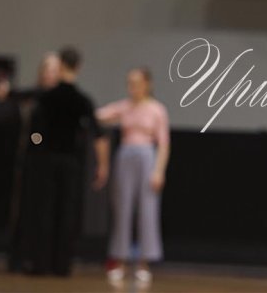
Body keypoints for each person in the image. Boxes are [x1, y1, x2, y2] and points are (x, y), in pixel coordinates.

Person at [25, 46, 110, 276]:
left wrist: (38, 145)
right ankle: (62, 265)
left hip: (46, 161)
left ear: (61, 65)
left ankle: (41, 263)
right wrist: (103, 165)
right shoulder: (83, 101)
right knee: (67, 212)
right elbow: (98, 134)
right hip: (72, 162)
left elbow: (35, 132)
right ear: (78, 67)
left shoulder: (46, 98)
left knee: (45, 211)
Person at [96, 66, 170, 287]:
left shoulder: (157, 109)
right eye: (130, 83)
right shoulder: (124, 106)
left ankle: (144, 263)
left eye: (137, 83)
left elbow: (164, 143)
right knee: (122, 207)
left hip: (146, 156)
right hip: (126, 155)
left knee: (147, 209)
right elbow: (100, 115)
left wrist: (159, 170)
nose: (133, 87)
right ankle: (119, 260)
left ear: (147, 84)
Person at [7, 52, 61, 273]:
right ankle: (21, 256)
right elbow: (33, 134)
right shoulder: (32, 97)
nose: (49, 74)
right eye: (46, 69)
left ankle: (44, 257)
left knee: (47, 211)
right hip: (32, 159)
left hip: (52, 161)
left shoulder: (60, 100)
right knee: (25, 209)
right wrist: (36, 141)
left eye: (54, 70)